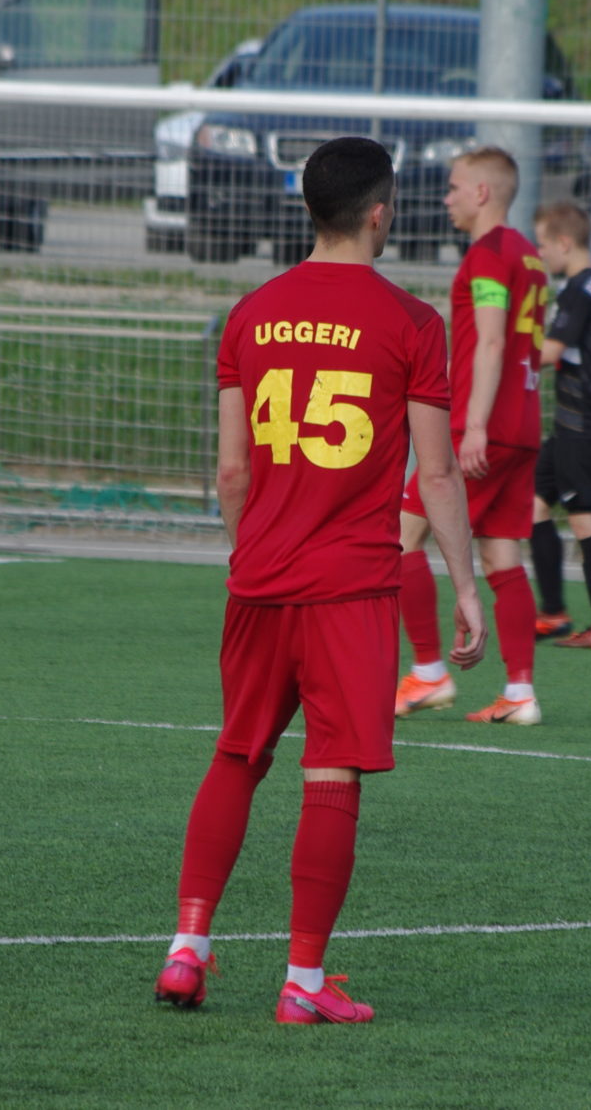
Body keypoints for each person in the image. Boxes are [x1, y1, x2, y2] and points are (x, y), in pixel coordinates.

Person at [155, 135, 485, 1026]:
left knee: (237, 753)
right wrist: (466, 584)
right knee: (331, 772)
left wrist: (250, 552)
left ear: (309, 209)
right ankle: (302, 980)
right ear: (380, 214)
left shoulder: (250, 313)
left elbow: (231, 471)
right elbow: (437, 473)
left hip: (259, 581)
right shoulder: (412, 323)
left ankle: (187, 947)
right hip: (352, 590)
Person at [395, 146, 550, 726]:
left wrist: (476, 424)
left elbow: (489, 341)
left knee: (398, 538)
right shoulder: (529, 255)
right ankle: (519, 692)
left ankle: (429, 673)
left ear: (482, 193)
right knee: (502, 555)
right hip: (524, 426)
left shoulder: (487, 256)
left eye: (455, 187)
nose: (447, 199)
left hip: (481, 428)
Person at [527, 199, 591, 649]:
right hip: (584, 418)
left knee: (586, 520)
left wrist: (498, 361)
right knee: (532, 504)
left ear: (564, 243)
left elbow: (550, 352)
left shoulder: (579, 289)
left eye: (543, 244)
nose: (540, 253)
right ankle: (553, 613)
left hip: (583, 421)